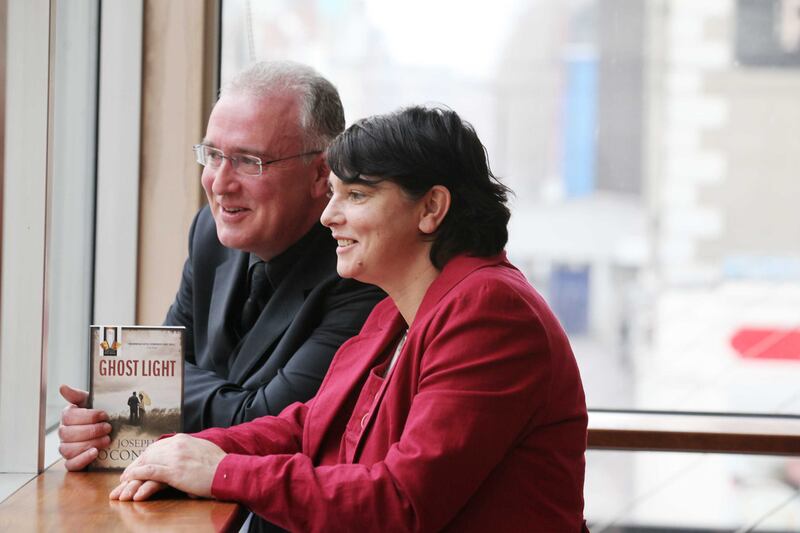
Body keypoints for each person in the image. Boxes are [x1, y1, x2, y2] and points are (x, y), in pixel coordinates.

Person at [110, 106, 588, 531]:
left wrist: (221, 471)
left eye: (356, 195)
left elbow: (401, 502)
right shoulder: (394, 311)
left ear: (431, 208)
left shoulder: (490, 310)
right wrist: (173, 450)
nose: (328, 217)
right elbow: (309, 425)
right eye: (333, 193)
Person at [57, 61, 384, 471]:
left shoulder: (361, 269)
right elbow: (153, 379)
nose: (219, 183)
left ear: (321, 173)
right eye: (213, 155)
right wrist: (102, 425)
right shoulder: (211, 232)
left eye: (249, 161)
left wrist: (148, 394)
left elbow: (265, 426)